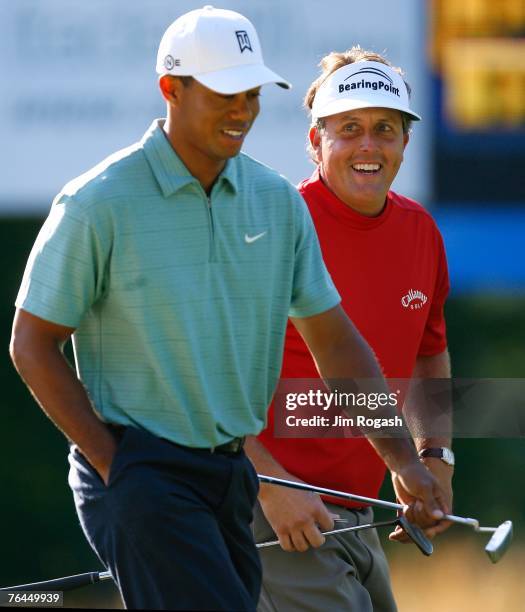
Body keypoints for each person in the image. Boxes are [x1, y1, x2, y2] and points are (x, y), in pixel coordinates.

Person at [10, 6, 446, 609]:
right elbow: (31, 344)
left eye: (251, 92)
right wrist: (116, 466)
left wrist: (406, 456)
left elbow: (338, 345)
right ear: (172, 89)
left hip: (233, 475)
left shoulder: (272, 201)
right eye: (223, 93)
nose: (242, 109)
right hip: (143, 469)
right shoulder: (98, 202)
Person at [247, 48, 453, 612]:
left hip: (356, 513)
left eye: (385, 128)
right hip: (273, 510)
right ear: (316, 142)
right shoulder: (271, 228)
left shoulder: (420, 232)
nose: (369, 145)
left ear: (405, 143)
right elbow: (197, 369)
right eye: (350, 129)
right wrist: (266, 481)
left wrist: (433, 454)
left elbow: (429, 351)